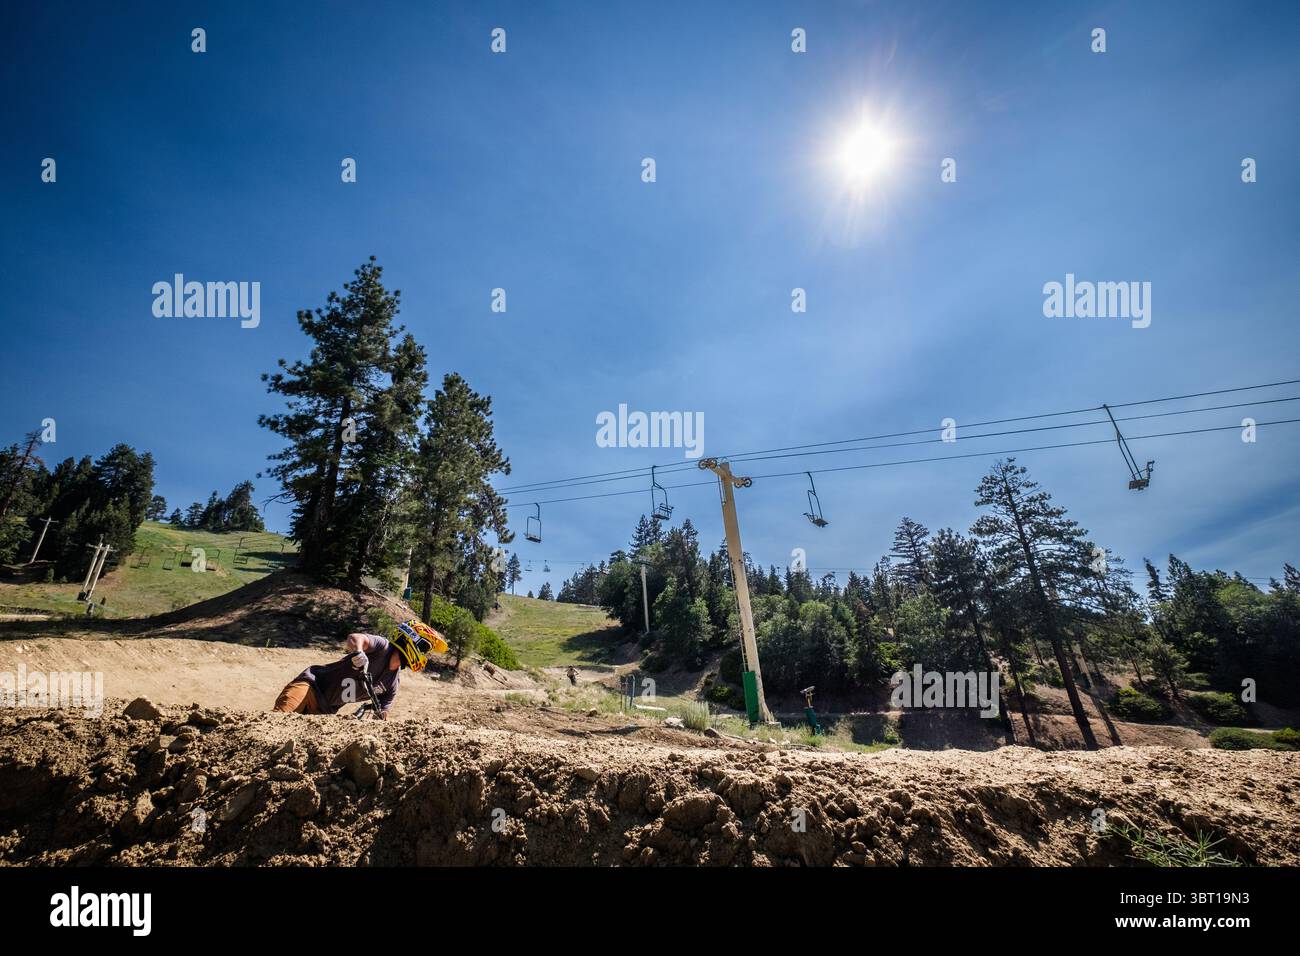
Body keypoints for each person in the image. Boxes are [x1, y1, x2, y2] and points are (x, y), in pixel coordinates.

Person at [272, 619, 446, 720]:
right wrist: (359, 652)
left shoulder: (392, 684)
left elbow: (383, 714)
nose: (424, 656)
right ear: (411, 640)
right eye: (424, 649)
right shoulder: (382, 647)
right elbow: (355, 637)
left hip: (326, 711)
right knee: (274, 723)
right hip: (310, 686)